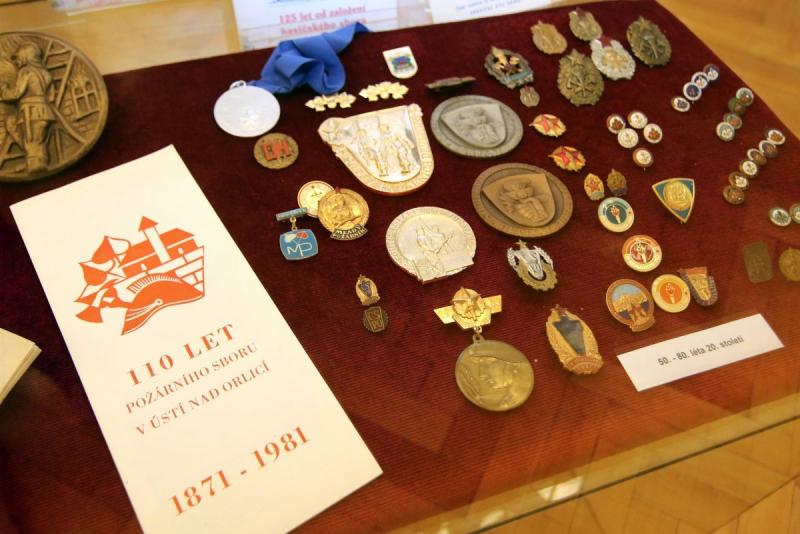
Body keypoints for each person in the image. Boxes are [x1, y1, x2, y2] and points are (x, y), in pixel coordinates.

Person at [0, 42, 56, 172]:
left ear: (26, 55)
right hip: (45, 111)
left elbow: (16, 93)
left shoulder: (26, 71)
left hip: (29, 111)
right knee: (38, 140)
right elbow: (51, 97)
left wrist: (3, 90)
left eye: (18, 57)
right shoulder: (46, 74)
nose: (17, 61)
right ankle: (37, 163)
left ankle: (35, 167)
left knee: (31, 140)